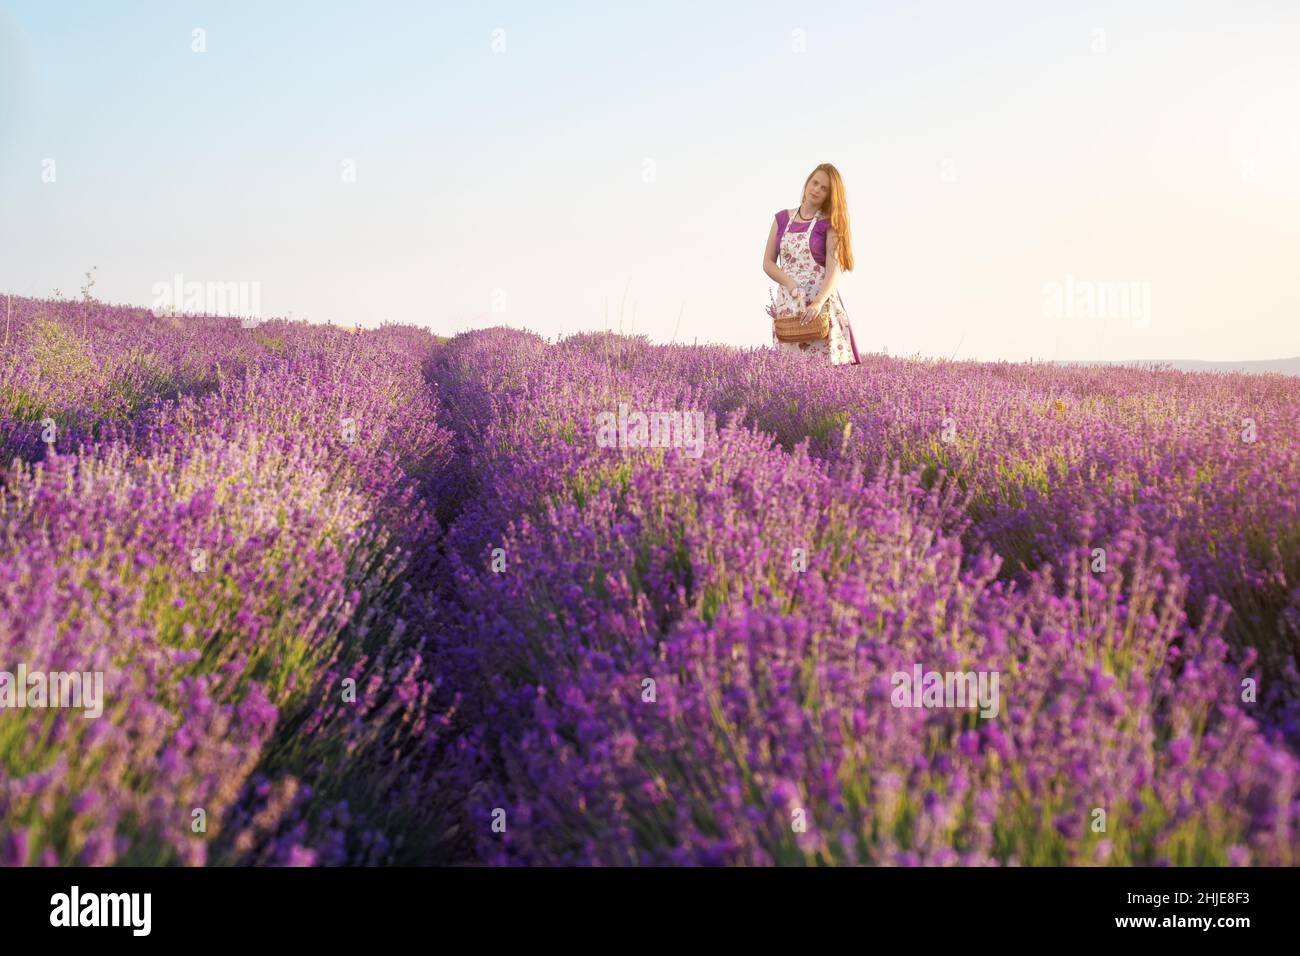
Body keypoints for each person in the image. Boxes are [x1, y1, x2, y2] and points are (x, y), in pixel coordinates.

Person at [762, 163, 860, 365]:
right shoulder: (781, 219)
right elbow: (768, 263)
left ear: (829, 196)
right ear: (807, 183)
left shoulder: (829, 224)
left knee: (824, 376)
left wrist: (817, 303)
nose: (816, 190)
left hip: (819, 309)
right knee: (788, 370)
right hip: (789, 306)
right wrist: (789, 283)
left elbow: (834, 271)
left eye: (824, 188)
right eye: (815, 183)